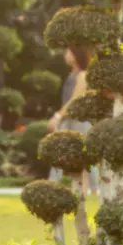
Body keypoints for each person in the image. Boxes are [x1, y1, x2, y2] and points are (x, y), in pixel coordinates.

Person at [48, 47, 97, 192]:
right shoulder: (72, 74)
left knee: (87, 154)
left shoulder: (82, 75)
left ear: (76, 55)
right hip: (68, 119)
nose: (66, 55)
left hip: (79, 121)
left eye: (69, 52)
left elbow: (74, 101)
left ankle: (95, 188)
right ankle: (52, 184)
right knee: (60, 150)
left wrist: (57, 117)